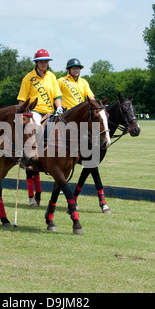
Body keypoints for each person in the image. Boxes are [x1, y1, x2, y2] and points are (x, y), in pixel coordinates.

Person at [57, 58, 109, 212]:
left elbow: (91, 98)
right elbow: (56, 96)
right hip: (68, 117)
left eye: (78, 68)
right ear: (68, 69)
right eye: (73, 68)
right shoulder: (61, 81)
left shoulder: (84, 82)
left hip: (83, 119)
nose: (76, 70)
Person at [17, 49, 63, 207]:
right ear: (36, 63)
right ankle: (29, 157)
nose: (44, 64)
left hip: (50, 111)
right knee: (35, 128)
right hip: (34, 111)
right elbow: (22, 100)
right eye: (41, 61)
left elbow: (57, 96)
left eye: (46, 61)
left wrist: (59, 108)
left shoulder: (52, 76)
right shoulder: (28, 78)